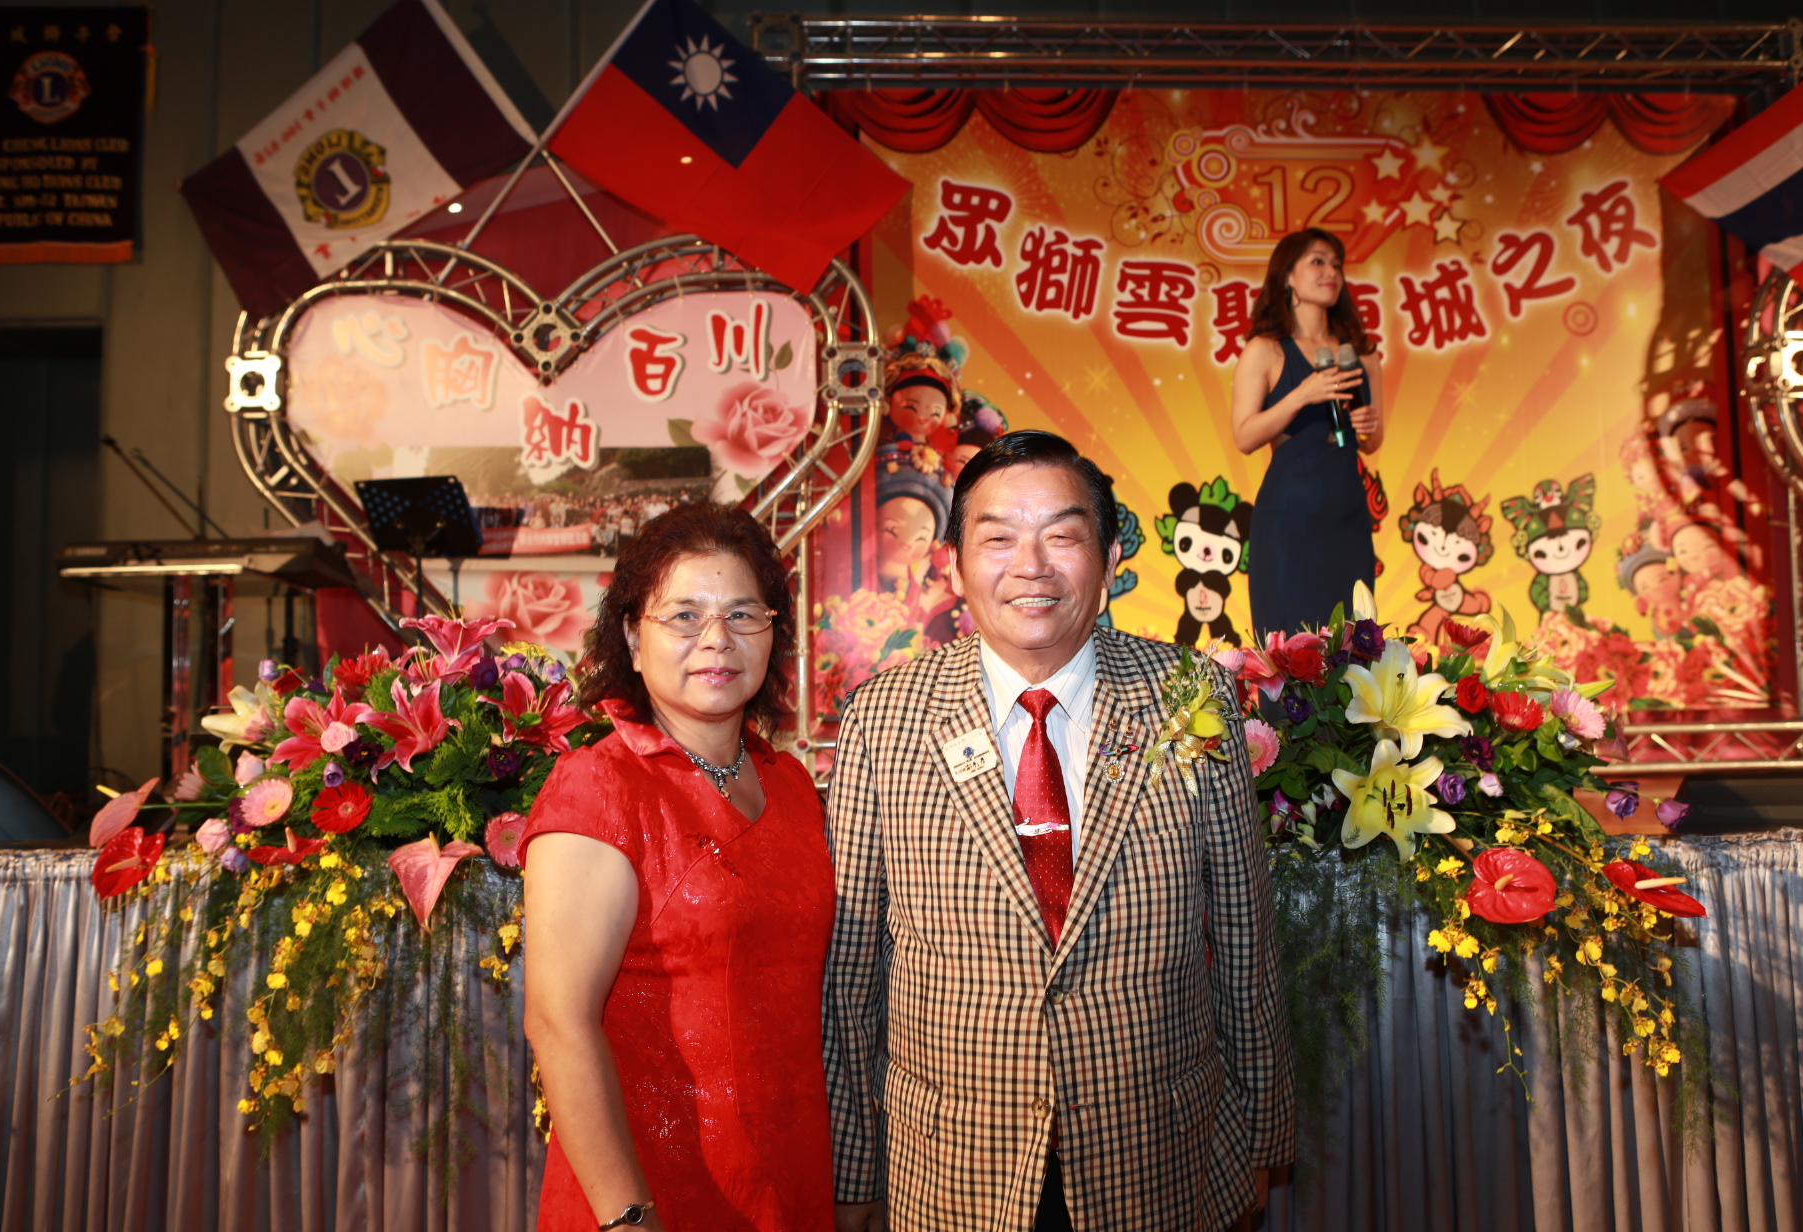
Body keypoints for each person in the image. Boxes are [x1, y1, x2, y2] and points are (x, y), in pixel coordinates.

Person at [822, 430, 1293, 1232]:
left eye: (1063, 536)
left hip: (1157, 1156)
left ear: (1110, 562)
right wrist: (851, 1164)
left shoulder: (1189, 694)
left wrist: (1260, 1134)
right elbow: (851, 967)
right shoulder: (885, 716)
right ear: (954, 566)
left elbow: (1246, 935)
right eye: (998, 539)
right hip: (951, 1165)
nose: (1031, 566)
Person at [521, 502, 836, 1232]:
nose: (717, 639)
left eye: (743, 615)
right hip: (649, 1188)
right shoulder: (601, 787)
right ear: (634, 639)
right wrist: (628, 1217)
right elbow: (559, 1022)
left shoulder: (791, 784)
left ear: (773, 634)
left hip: (793, 1175)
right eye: (685, 616)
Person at [1232, 227, 1384, 639]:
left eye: (1336, 264)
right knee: (1290, 653)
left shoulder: (1363, 355)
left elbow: (1372, 442)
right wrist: (1303, 394)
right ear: (1287, 275)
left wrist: (1368, 428)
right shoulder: (1266, 350)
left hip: (1347, 516)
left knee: (1351, 648)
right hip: (1289, 519)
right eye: (1318, 261)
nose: (1331, 272)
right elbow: (1244, 436)